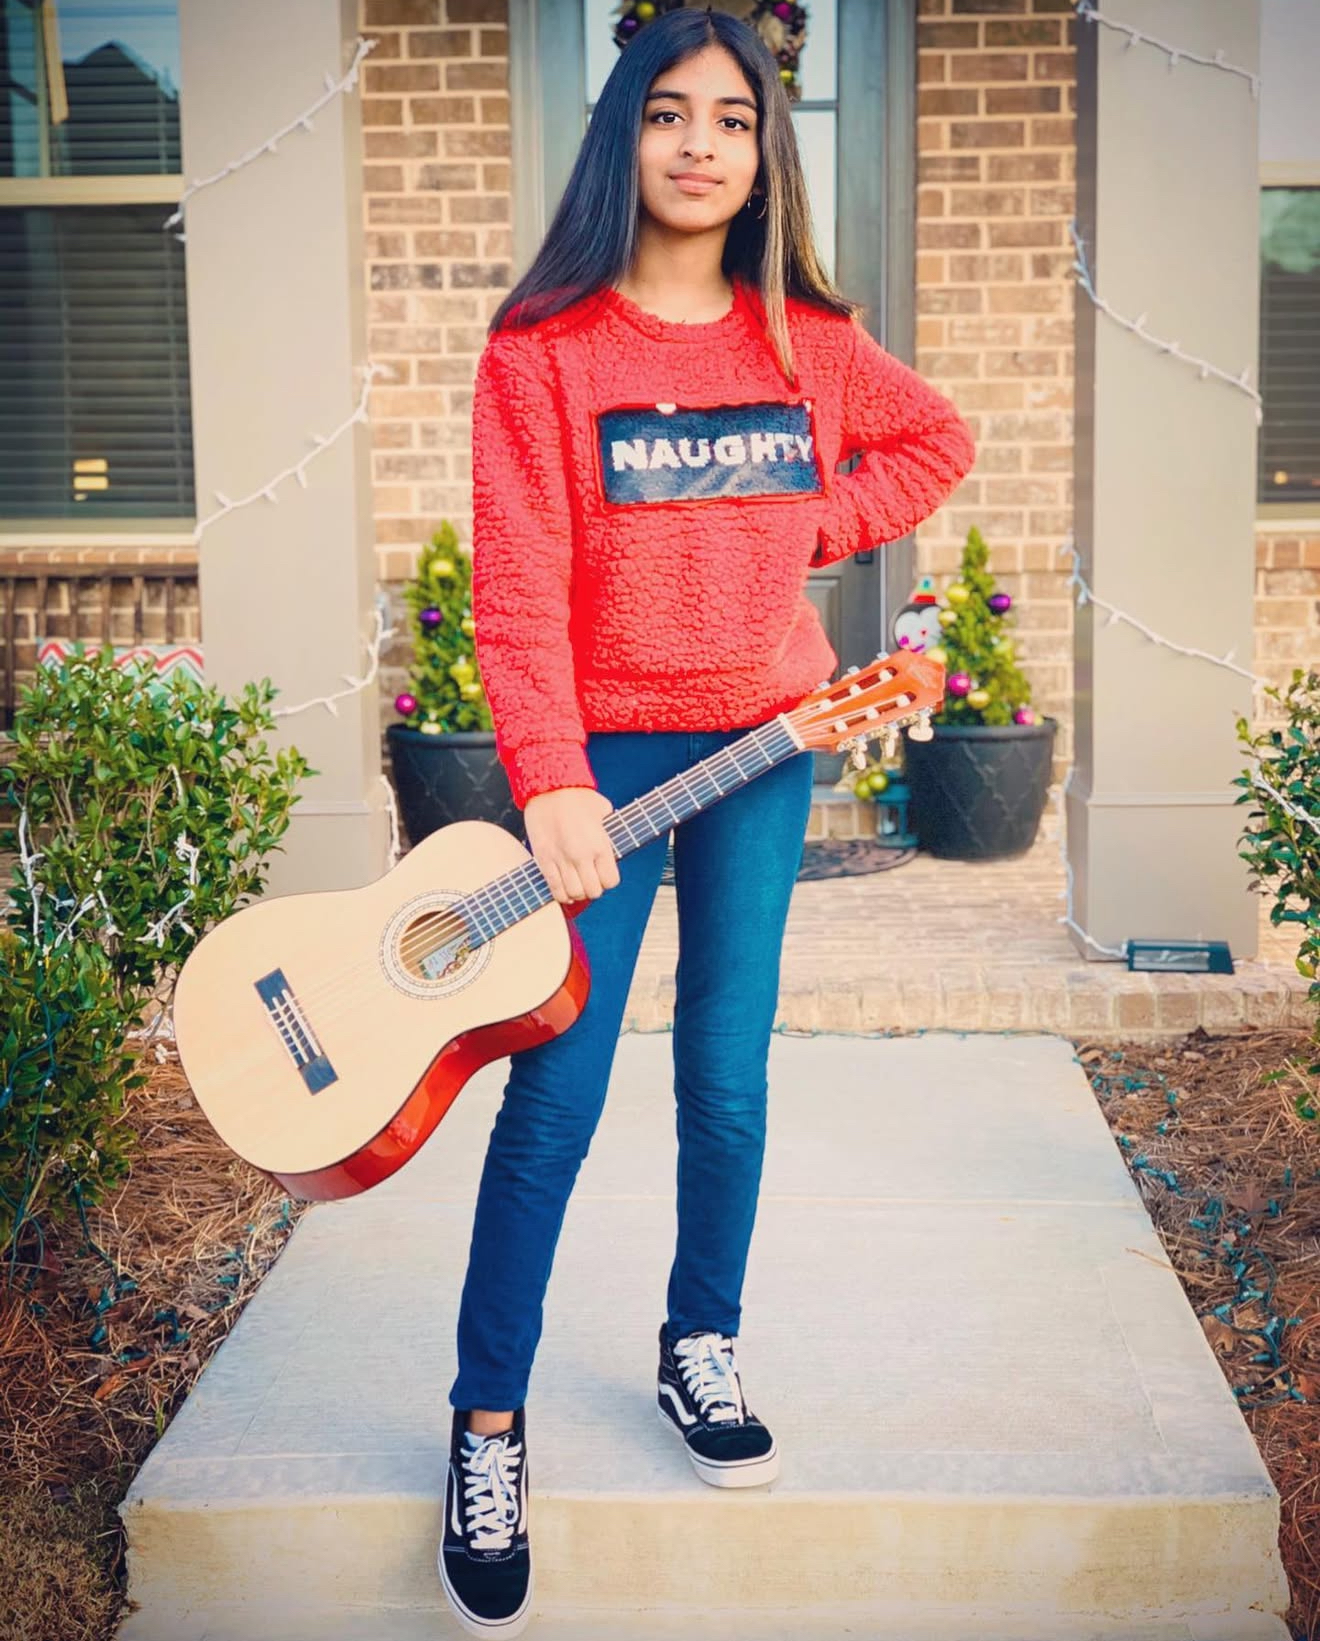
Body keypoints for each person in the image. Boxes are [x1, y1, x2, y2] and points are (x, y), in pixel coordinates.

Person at [437, 9, 977, 1636]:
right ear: (626, 133)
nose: (700, 144)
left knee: (726, 1075)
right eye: (669, 112)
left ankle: (702, 1341)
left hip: (767, 744)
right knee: (557, 1090)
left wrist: (817, 518)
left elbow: (936, 440)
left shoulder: (811, 340)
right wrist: (550, 774)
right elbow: (516, 589)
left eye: (733, 120)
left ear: (764, 152)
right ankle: (486, 1420)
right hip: (601, 763)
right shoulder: (543, 349)